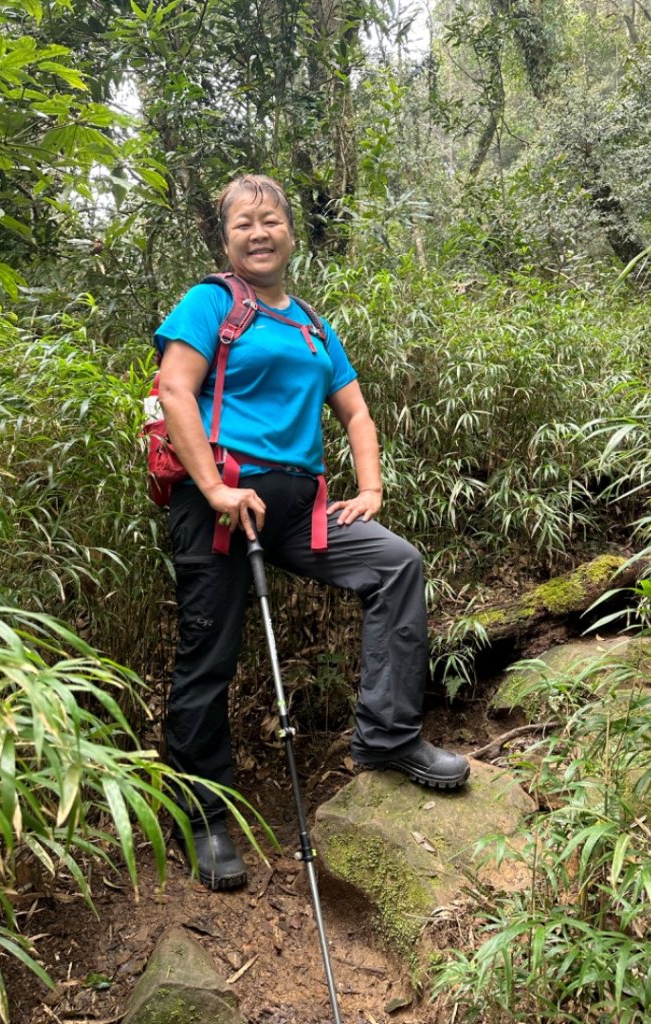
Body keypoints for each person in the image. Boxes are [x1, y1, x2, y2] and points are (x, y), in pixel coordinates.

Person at [154, 174, 470, 890]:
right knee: (209, 654)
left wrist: (370, 489)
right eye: (243, 224)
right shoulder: (210, 303)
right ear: (226, 238)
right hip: (221, 511)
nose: (259, 233)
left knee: (396, 566)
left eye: (270, 220)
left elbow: (356, 414)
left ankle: (387, 739)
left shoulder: (311, 325)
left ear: (292, 233)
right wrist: (212, 487)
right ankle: (204, 815)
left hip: (298, 512)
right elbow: (176, 389)